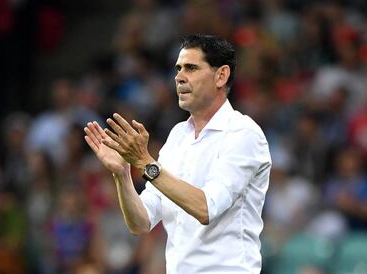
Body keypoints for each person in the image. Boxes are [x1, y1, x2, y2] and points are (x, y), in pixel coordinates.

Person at [84, 34, 272, 274]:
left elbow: (206, 208)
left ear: (221, 75)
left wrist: (144, 163)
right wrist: (122, 174)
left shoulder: (243, 134)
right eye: (178, 69)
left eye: (191, 68)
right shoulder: (177, 136)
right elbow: (141, 223)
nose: (179, 77)